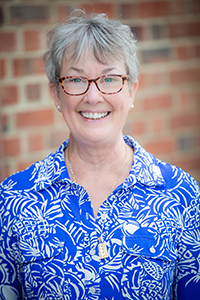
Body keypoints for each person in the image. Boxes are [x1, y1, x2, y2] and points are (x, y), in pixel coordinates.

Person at [0, 9, 200, 300]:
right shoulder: (13, 200)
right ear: (56, 93)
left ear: (131, 90)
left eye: (109, 79)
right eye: (76, 80)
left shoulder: (181, 195)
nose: (93, 97)